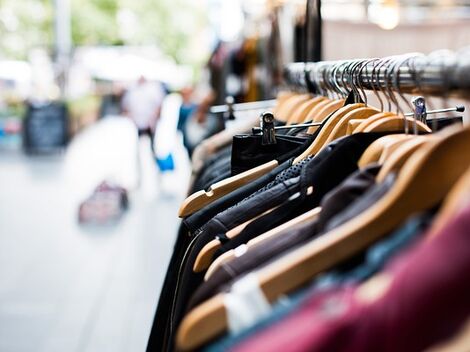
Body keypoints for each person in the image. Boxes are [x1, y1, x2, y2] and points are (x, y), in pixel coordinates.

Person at [121, 75, 166, 153]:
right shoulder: (133, 90)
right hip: (137, 123)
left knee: (151, 147)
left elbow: (159, 105)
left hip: (150, 124)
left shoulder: (153, 89)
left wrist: (154, 119)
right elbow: (125, 106)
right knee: (138, 147)